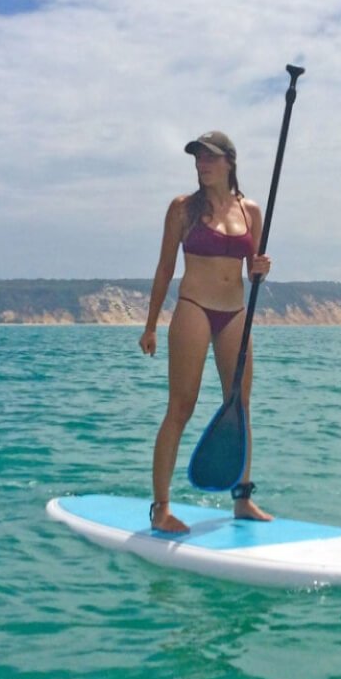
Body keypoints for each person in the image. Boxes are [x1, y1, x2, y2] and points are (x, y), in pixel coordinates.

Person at [139, 131, 274, 533]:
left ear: (229, 162)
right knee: (181, 406)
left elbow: (252, 270)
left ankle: (243, 499)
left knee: (240, 404)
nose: (202, 164)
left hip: (234, 312)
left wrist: (260, 269)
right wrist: (150, 326)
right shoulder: (182, 209)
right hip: (194, 309)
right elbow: (165, 268)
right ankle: (161, 508)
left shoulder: (250, 211)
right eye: (198, 158)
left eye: (210, 158)